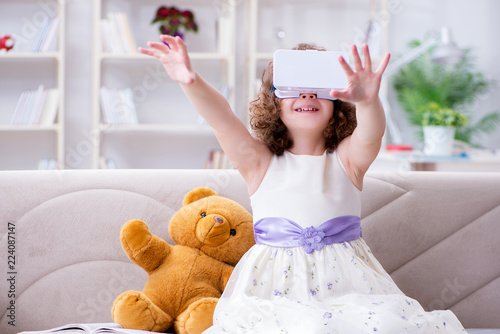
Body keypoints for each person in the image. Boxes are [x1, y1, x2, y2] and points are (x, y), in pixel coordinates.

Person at [139, 35, 466, 333]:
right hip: (274, 289)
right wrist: (190, 81)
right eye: (294, 87)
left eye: (318, 88)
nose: (307, 94)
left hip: (348, 288)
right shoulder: (258, 162)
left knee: (380, 323)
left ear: (337, 103)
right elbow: (221, 118)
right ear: (273, 102)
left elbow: (372, 133)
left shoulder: (347, 159)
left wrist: (368, 101)